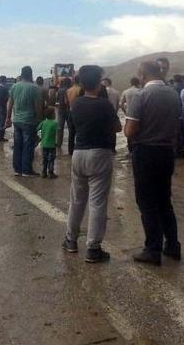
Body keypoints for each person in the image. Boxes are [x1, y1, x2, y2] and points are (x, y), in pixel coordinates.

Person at [125, 60, 182, 266]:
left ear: (142, 75)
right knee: (164, 200)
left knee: (147, 202)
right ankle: (173, 245)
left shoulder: (141, 96)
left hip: (146, 152)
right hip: (167, 151)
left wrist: (127, 130)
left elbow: (130, 131)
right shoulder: (174, 94)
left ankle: (152, 249)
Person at [62, 65, 120, 264]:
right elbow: (117, 127)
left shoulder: (76, 104)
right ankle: (93, 248)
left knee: (77, 199)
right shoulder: (104, 105)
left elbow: (73, 125)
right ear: (99, 82)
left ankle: (70, 240)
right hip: (100, 154)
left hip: (79, 153)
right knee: (97, 202)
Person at [6, 66, 43, 177]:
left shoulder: (14, 87)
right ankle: (26, 170)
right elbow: (38, 107)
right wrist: (40, 120)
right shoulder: (34, 88)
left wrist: (8, 118)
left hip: (17, 120)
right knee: (28, 145)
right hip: (29, 121)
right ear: (31, 75)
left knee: (18, 145)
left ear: (21, 75)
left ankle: (17, 169)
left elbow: (10, 103)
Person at [38, 107, 59, 178]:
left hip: (44, 144)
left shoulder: (43, 122)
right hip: (52, 145)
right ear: (52, 115)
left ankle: (44, 172)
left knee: (44, 159)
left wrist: (40, 137)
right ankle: (51, 172)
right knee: (51, 159)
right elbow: (58, 132)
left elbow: (37, 129)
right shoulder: (55, 123)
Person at [65, 75, 82, 155]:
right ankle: (79, 149)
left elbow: (66, 102)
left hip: (71, 111)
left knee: (71, 133)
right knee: (80, 132)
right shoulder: (80, 90)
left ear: (73, 81)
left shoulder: (68, 90)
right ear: (80, 81)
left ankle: (70, 150)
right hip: (79, 112)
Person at [56, 77, 72, 154]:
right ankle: (71, 144)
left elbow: (57, 99)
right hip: (69, 110)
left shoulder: (60, 90)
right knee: (70, 128)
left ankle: (59, 144)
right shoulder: (70, 90)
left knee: (60, 127)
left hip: (61, 110)